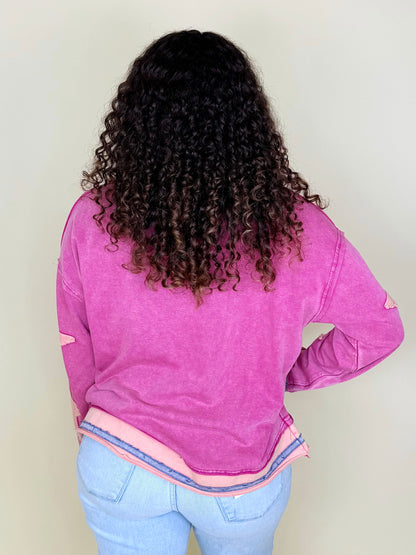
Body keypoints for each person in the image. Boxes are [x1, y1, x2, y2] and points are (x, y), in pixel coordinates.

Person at [55, 29, 405, 555]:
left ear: (136, 121)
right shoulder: (301, 232)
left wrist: (93, 427)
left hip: (119, 461)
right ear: (250, 123)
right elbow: (379, 330)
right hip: (241, 479)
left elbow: (74, 338)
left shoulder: (93, 218)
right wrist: (290, 373)